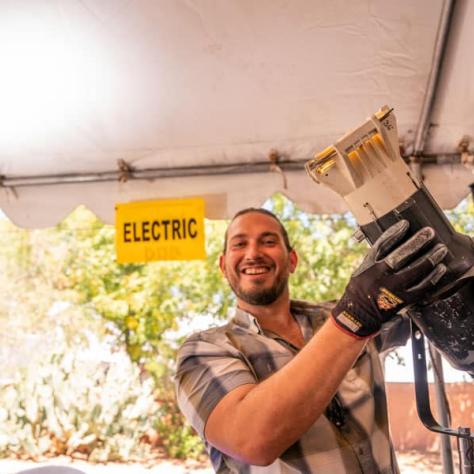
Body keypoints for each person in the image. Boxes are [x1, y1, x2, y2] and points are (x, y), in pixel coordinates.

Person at [175, 208, 449, 473]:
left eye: (268, 241)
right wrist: (353, 319)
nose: (253, 253)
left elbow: (433, 311)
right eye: (239, 244)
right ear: (223, 266)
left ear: (292, 260)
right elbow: (251, 440)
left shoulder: (337, 313)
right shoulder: (204, 350)